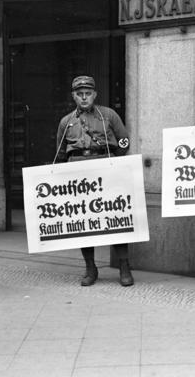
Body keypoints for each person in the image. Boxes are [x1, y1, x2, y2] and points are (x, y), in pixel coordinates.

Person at [55, 75, 134, 287]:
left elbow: (123, 141)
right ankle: (90, 267)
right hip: (78, 172)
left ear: (94, 95)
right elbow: (61, 153)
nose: (83, 98)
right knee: (84, 223)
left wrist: (112, 164)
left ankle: (124, 266)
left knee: (115, 219)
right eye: (79, 94)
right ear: (73, 96)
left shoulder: (108, 115)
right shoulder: (66, 122)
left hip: (105, 169)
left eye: (87, 94)